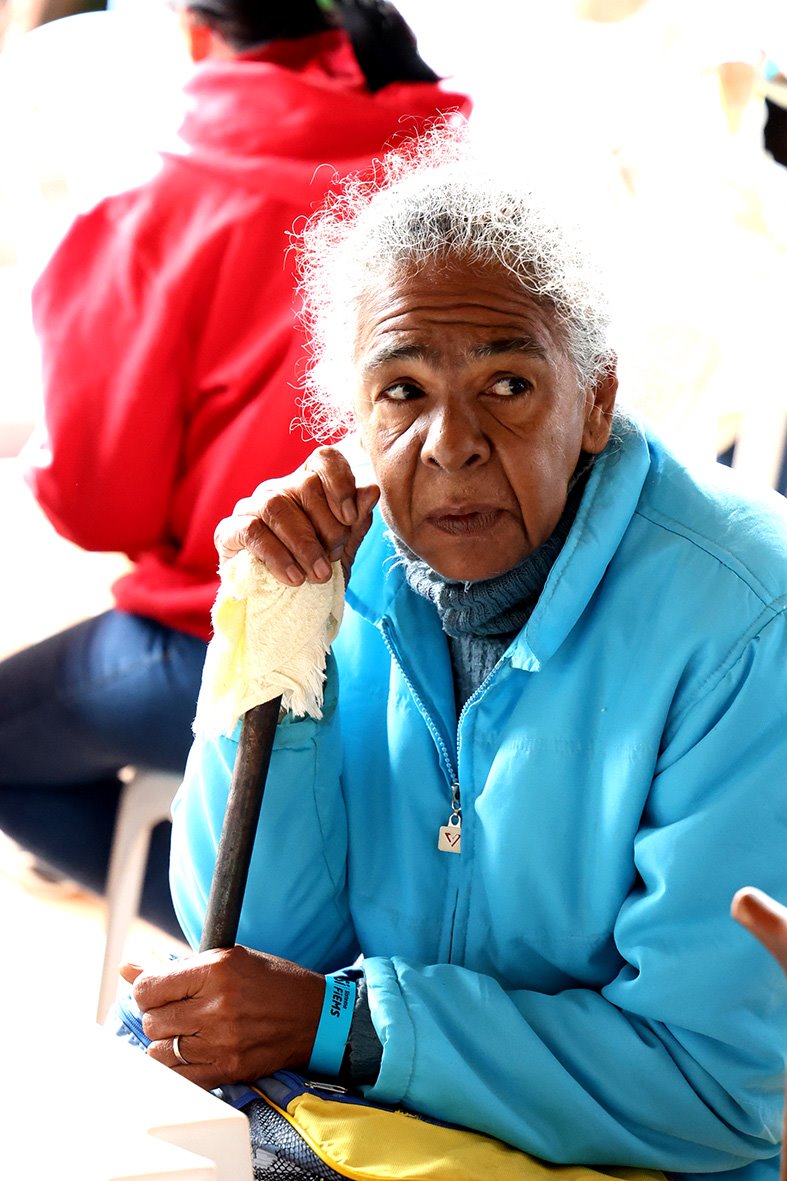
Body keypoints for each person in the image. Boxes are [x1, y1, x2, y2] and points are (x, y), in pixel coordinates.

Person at [122, 128, 787, 1177]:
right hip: (395, 1129)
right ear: (354, 410)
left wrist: (347, 1024)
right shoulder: (342, 561)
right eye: (402, 390)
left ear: (595, 400)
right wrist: (274, 625)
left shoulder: (746, 618)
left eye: (508, 384)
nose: (450, 443)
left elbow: (710, 1088)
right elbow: (255, 947)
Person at [0, 0, 468, 931]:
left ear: (193, 27)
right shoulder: (442, 140)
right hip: (451, 640)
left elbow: (101, 507)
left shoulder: (153, 200)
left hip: (243, 627)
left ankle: (261, 950)